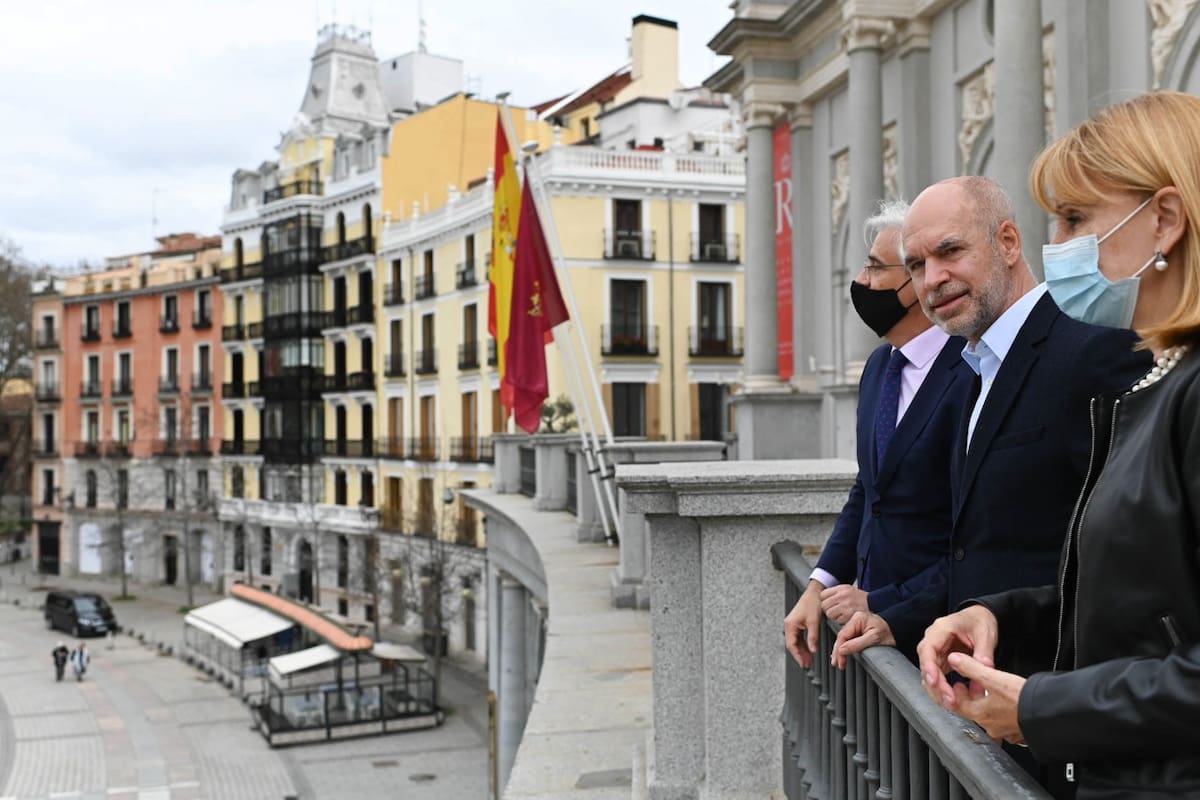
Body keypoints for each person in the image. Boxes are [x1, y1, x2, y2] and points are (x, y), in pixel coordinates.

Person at [917, 91, 1200, 798]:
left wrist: (1042, 709)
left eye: (1076, 218)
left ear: (1165, 220)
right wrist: (1002, 615)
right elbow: (1143, 600)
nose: (1059, 246)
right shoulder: (1159, 382)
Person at [832, 178, 1149, 669]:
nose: (932, 279)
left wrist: (1054, 698)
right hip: (986, 689)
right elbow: (975, 551)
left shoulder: (1092, 349)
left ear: (1008, 243)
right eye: (916, 265)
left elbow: (1129, 557)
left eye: (950, 251)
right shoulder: (974, 367)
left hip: (1058, 688)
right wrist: (900, 617)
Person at [784, 199, 973, 667]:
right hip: (872, 645)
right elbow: (868, 492)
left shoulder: (971, 370)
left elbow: (974, 534)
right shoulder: (878, 367)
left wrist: (885, 602)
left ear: (917, 280)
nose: (861, 282)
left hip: (944, 643)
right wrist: (821, 583)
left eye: (873, 267)